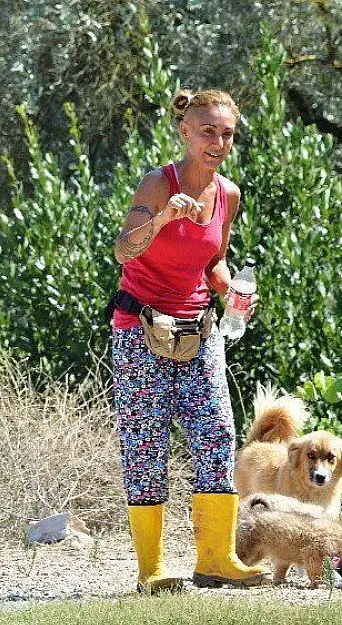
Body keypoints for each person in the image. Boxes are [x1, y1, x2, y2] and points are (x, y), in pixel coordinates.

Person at [108, 89, 266, 592]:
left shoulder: (229, 194)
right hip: (140, 331)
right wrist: (162, 220)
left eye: (227, 134)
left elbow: (213, 261)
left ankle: (215, 559)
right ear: (184, 132)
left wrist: (231, 289)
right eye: (207, 132)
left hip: (199, 329)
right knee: (146, 444)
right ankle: (151, 571)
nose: (218, 142)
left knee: (217, 434)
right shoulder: (158, 183)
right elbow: (123, 250)